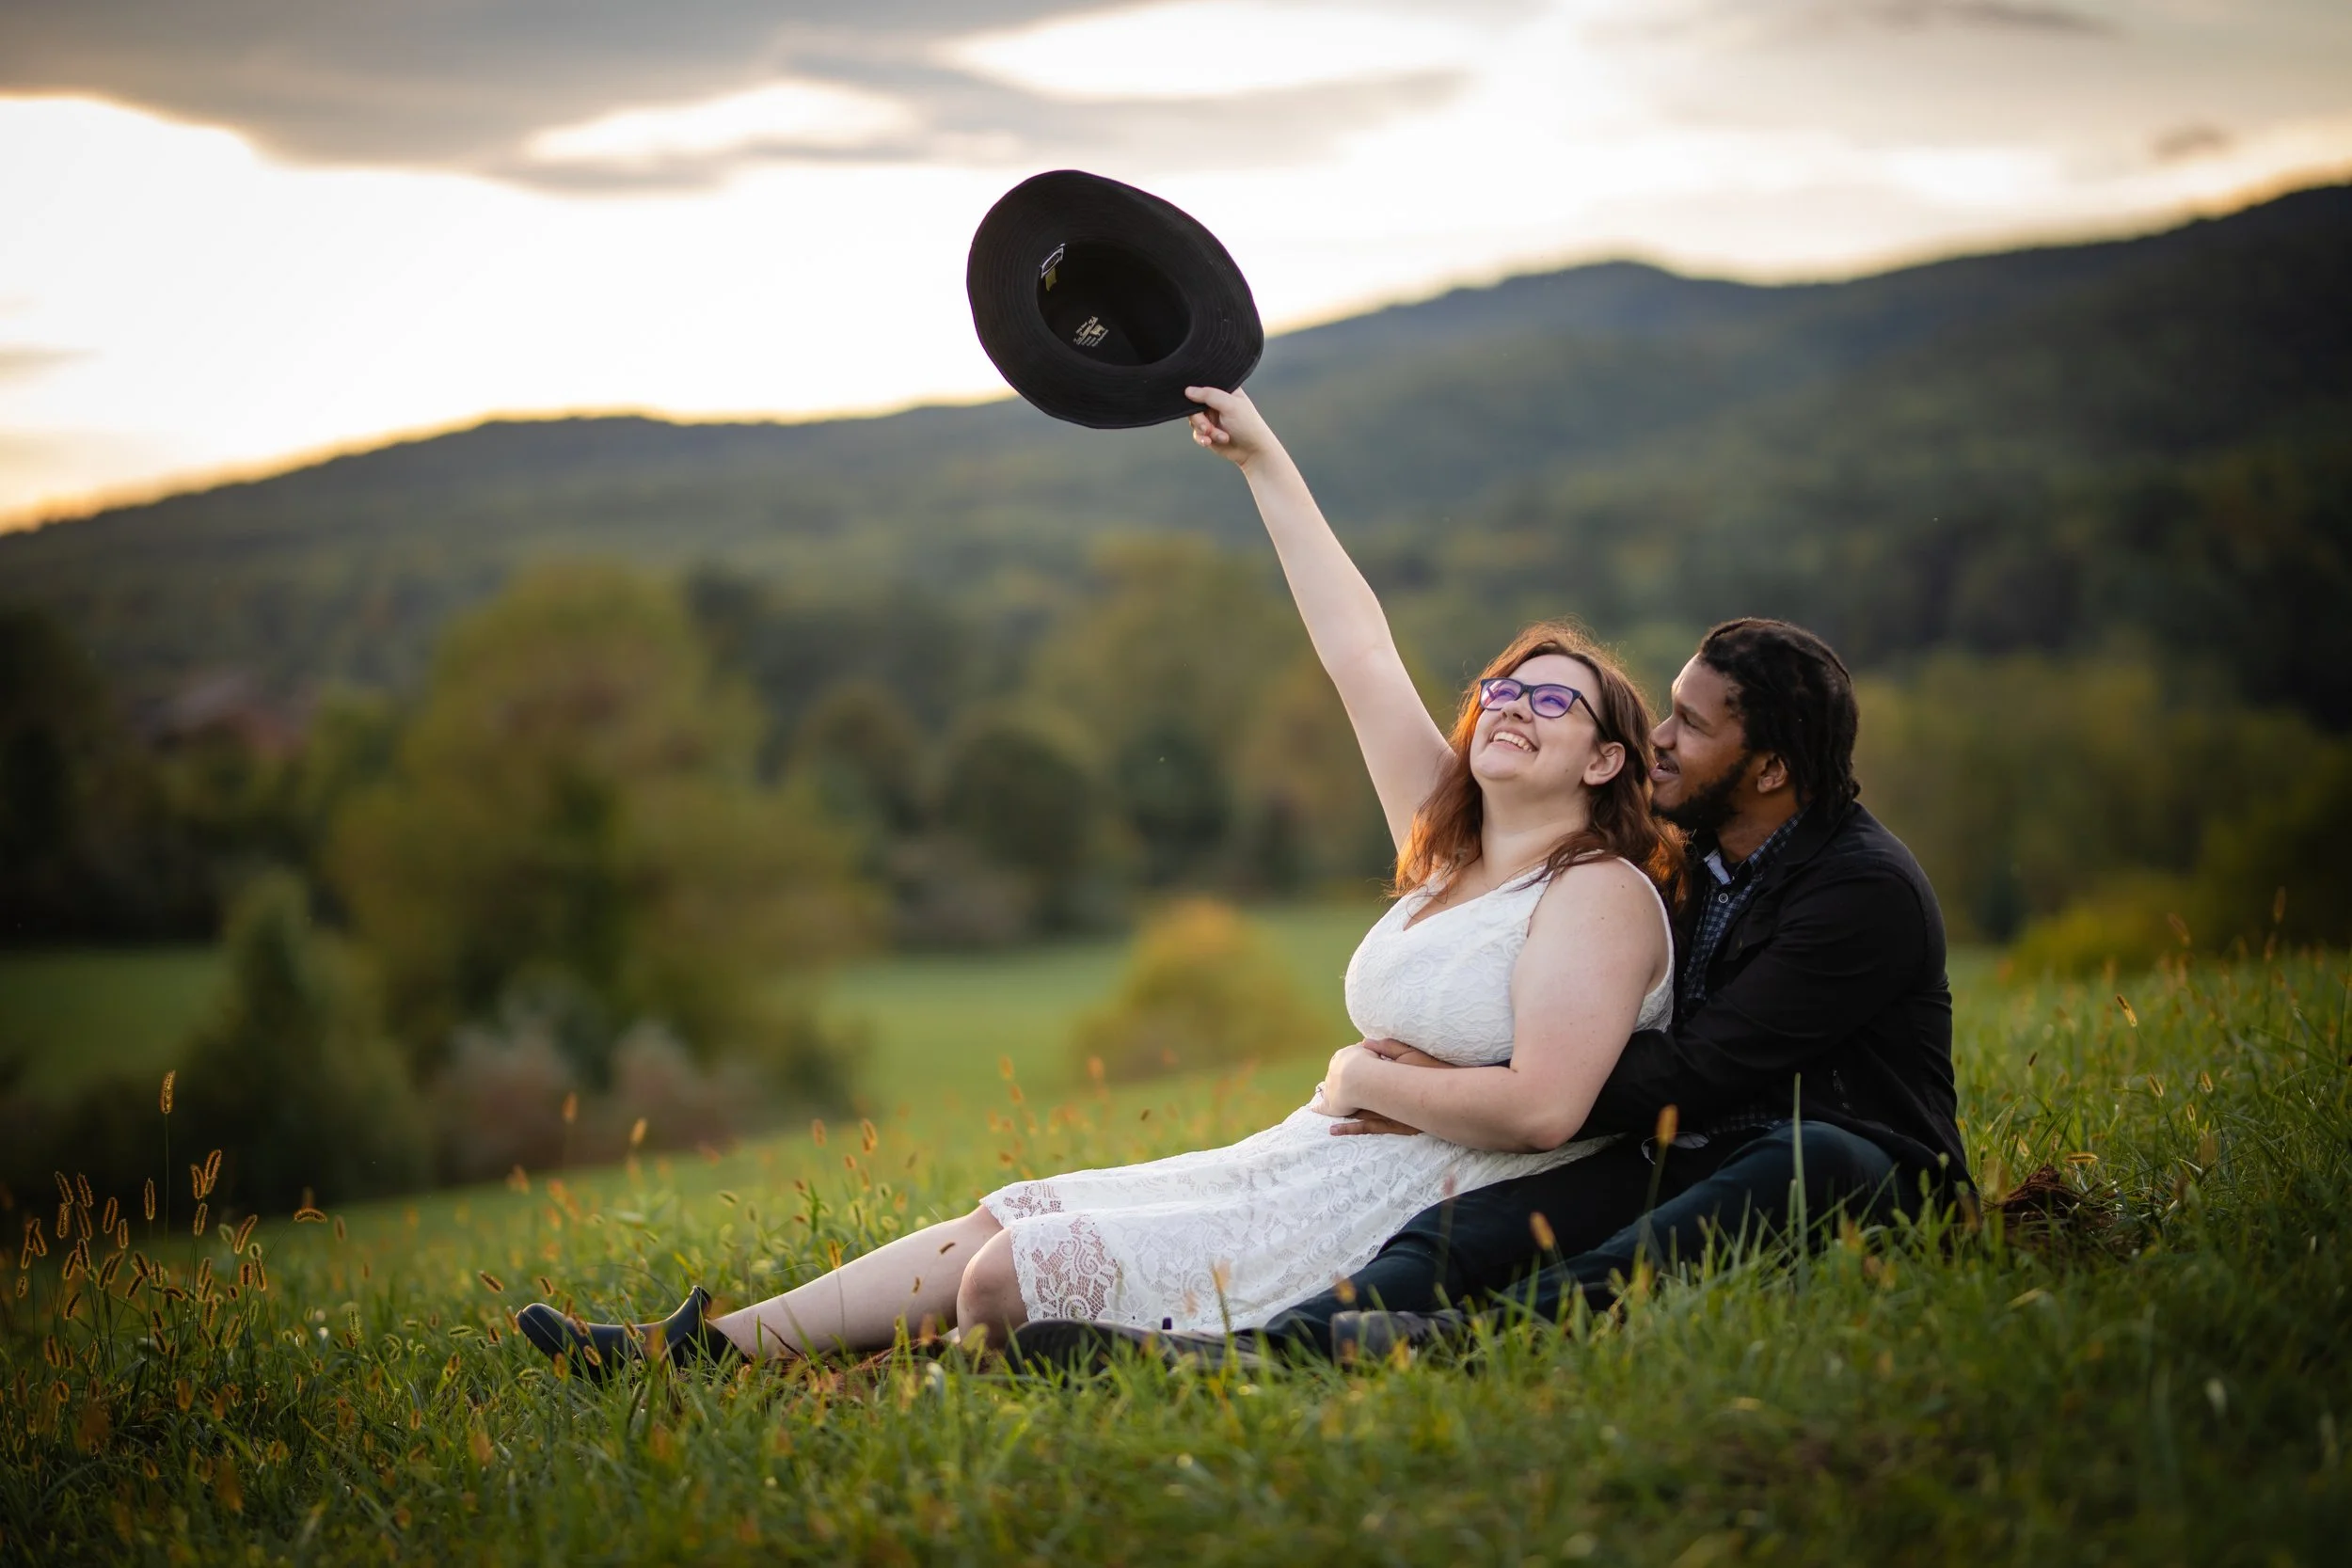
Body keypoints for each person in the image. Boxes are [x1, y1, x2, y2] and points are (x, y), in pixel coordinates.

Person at [511, 385, 1678, 1377]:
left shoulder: (1598, 894)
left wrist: (1361, 1067)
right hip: (1315, 1152)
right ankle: (692, 1351)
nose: (1515, 708)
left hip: (1423, 1203)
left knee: (1010, 1275)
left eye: (1555, 700)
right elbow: (1358, 650)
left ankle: (982, 1351)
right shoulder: (1448, 850)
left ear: (1607, 756)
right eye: (1503, 689)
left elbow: (1543, 1110)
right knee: (1015, 1211)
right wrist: (1265, 459)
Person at [1022, 593, 1969, 1365]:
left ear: (1765, 767)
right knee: (1462, 1229)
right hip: (1685, 1148)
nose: (1662, 739)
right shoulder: (1689, 847)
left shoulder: (1859, 891)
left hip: (1859, 1167)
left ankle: (1482, 1341)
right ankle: (1265, 1354)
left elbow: (1696, 1071)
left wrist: (1448, 1082)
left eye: (1689, 722)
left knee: (1799, 1158)